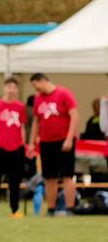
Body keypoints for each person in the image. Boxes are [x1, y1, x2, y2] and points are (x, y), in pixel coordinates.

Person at [27, 73, 79, 216]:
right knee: (49, 177)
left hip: (63, 141)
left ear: (42, 81)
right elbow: (36, 122)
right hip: (46, 142)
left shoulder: (64, 93)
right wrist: (31, 143)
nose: (35, 90)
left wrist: (69, 139)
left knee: (67, 176)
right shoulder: (38, 99)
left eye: (35, 86)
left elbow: (74, 116)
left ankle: (70, 208)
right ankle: (51, 208)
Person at [0, 77, 27, 217]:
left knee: (15, 182)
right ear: (4, 88)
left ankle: (14, 209)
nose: (11, 90)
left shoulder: (20, 107)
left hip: (16, 148)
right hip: (0, 148)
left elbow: (22, 126)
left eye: (14, 87)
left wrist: (23, 143)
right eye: (9, 86)